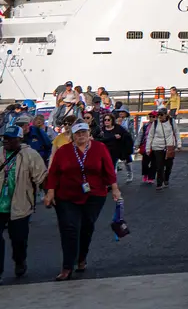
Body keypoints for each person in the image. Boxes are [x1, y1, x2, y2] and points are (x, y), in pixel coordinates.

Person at [44, 121, 121, 281]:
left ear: (89, 133)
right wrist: (50, 192)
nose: (81, 136)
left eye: (84, 132)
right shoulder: (63, 151)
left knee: (86, 227)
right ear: (72, 136)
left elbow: (108, 169)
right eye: (78, 133)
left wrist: (115, 188)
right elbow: (53, 173)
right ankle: (67, 266)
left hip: (94, 195)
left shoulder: (99, 148)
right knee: (69, 229)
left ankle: (81, 257)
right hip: (67, 196)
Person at [1, 125, 47, 282]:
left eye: (10, 139)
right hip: (0, 205)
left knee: (18, 239)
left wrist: (49, 195)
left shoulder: (30, 155)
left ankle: (20, 260)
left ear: (19, 139)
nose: (5, 141)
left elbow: (41, 177)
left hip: (20, 204)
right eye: (4, 138)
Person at [145, 106, 180, 190]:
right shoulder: (155, 123)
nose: (159, 116)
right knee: (159, 166)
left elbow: (177, 132)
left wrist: (179, 144)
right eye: (158, 115)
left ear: (166, 115)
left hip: (169, 146)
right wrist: (148, 148)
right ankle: (159, 183)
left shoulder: (171, 121)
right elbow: (150, 136)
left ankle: (166, 178)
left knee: (169, 165)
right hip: (157, 146)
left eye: (161, 115)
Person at [95, 113, 134, 185]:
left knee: (125, 162)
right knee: (109, 167)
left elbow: (127, 136)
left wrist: (122, 140)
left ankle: (129, 174)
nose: (106, 121)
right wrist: (113, 137)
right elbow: (98, 139)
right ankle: (111, 182)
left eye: (108, 120)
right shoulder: (102, 130)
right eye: (105, 120)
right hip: (107, 151)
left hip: (118, 149)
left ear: (112, 120)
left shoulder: (118, 128)